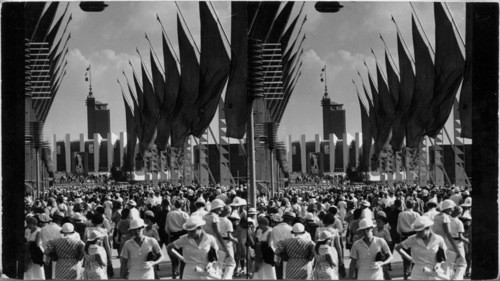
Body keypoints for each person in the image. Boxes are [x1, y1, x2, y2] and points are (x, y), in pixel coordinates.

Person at [396, 199, 420, 279]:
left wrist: (401, 234)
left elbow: (398, 228)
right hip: (414, 235)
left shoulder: (401, 214)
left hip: (404, 236)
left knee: (406, 256)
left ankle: (406, 274)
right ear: (413, 205)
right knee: (415, 256)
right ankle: (413, 274)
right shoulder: (416, 214)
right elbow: (419, 227)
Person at [166, 199, 189, 279]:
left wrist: (170, 236)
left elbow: (167, 228)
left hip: (173, 236)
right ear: (182, 205)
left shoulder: (169, 213)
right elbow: (188, 227)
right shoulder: (185, 214)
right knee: (183, 258)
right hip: (182, 236)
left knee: (174, 259)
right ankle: (182, 277)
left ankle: (174, 274)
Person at [270, 211, 294, 279]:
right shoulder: (291, 229)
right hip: (289, 256)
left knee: (279, 275)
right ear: (290, 220)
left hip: (277, 255)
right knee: (288, 275)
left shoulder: (275, 228)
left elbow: (272, 243)